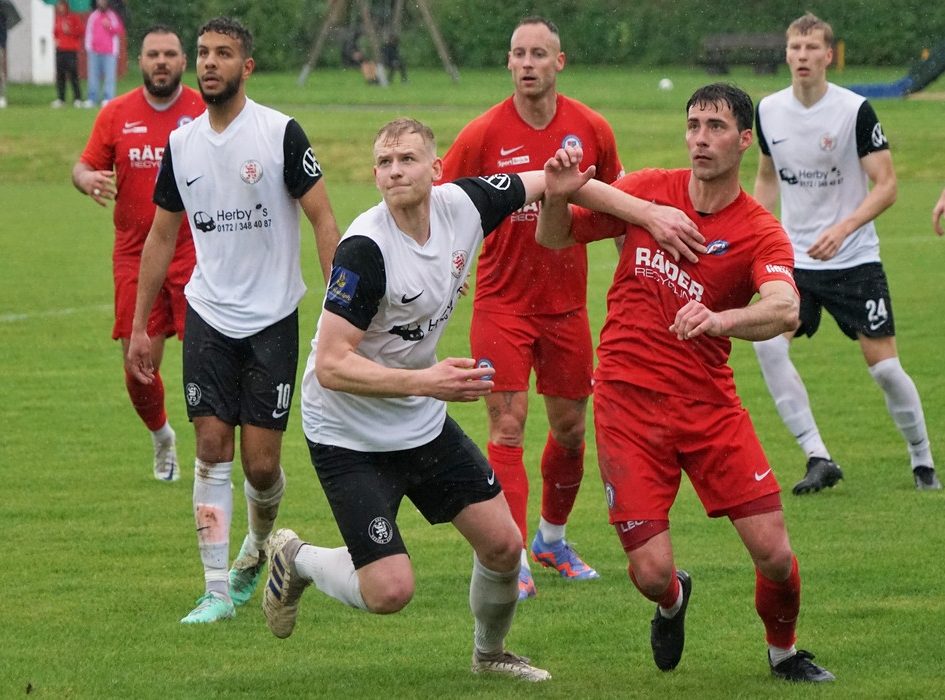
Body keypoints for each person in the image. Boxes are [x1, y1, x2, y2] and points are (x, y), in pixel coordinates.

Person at [260, 117, 697, 681]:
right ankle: (296, 558)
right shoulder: (364, 251)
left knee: (504, 547)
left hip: (418, 418)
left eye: (408, 159)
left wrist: (649, 215)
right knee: (390, 590)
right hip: (348, 432)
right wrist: (429, 382)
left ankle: (490, 656)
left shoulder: (465, 204)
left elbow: (557, 182)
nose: (395, 171)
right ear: (374, 175)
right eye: (385, 163)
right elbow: (331, 365)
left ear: (436, 169)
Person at [536, 83, 835, 683]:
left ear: (745, 140)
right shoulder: (648, 189)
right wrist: (556, 193)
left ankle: (784, 653)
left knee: (775, 555)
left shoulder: (759, 230)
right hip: (625, 405)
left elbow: (785, 308)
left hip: (709, 407)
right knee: (651, 576)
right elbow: (555, 234)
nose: (701, 138)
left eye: (716, 127)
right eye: (693, 125)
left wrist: (721, 320)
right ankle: (673, 600)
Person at [126, 16, 340, 625]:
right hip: (208, 315)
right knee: (211, 448)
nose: (209, 63)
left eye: (223, 53)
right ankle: (216, 589)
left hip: (273, 318)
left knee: (262, 466)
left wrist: (339, 309)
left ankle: (257, 547)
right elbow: (161, 235)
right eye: (203, 53)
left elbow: (324, 219)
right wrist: (141, 325)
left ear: (246, 67)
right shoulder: (183, 144)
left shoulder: (279, 133)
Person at [440, 16, 620, 598]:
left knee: (570, 431)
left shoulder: (591, 129)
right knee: (508, 426)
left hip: (566, 308)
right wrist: (445, 273)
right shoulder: (482, 134)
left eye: (538, 54)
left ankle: (551, 541)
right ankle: (511, 558)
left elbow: (619, 208)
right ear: (508, 62)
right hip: (502, 306)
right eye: (518, 54)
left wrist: (637, 283)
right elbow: (442, 206)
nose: (526, 64)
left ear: (558, 62)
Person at [752, 13, 939, 493]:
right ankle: (818, 455)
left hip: (854, 259)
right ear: (786, 54)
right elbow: (767, 178)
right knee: (767, 343)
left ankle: (922, 460)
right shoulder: (768, 110)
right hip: (796, 260)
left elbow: (887, 184)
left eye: (812, 48)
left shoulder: (855, 110)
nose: (802, 56)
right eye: (795, 48)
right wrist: (755, 234)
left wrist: (843, 228)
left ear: (828, 55)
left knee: (886, 369)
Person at [72, 26, 204, 484]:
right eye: (152, 54)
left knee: (209, 361)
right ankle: (162, 435)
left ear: (183, 61)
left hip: (195, 252)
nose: (161, 61)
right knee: (138, 367)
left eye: (169, 53)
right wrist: (86, 179)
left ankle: (213, 459)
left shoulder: (203, 111)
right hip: (133, 254)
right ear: (140, 61)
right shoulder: (116, 113)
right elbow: (83, 165)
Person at [83, 0, 124, 108]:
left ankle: (108, 98)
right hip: (94, 52)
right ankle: (92, 99)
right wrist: (88, 47)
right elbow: (89, 32)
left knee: (109, 77)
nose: (101, 3)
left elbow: (119, 30)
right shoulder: (93, 16)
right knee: (93, 77)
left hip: (109, 52)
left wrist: (109, 26)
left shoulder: (112, 16)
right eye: (99, 1)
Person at [52, 0, 84, 108]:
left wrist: (70, 30)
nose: (60, 8)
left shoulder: (73, 18)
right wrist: (55, 40)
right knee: (60, 75)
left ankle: (77, 98)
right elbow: (55, 32)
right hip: (60, 50)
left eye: (61, 5)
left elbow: (80, 31)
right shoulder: (58, 18)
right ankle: (61, 98)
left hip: (71, 50)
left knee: (73, 75)